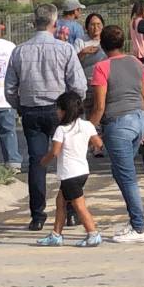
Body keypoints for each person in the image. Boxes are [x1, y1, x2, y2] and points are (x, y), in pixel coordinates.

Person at [4, 3, 86, 231]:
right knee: (66, 160)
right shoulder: (65, 49)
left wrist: (20, 106)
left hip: (31, 111)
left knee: (37, 163)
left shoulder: (19, 51)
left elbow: (10, 89)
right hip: (60, 110)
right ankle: (70, 212)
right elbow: (78, 85)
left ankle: (37, 216)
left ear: (34, 23)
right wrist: (73, 108)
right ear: (55, 23)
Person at [88, 24, 144, 243]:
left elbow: (99, 107)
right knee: (120, 171)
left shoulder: (101, 67)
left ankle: (139, 227)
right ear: (122, 43)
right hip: (138, 119)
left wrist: (87, 130)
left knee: (127, 177)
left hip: (119, 125)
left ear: (102, 45)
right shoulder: (136, 62)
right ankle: (135, 221)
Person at [35, 91, 102, 248]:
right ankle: (56, 234)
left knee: (79, 205)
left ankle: (93, 234)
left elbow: (55, 152)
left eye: (58, 109)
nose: (57, 112)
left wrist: (43, 162)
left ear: (65, 111)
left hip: (69, 174)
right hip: (82, 171)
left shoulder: (62, 130)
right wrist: (83, 145)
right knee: (60, 201)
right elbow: (98, 144)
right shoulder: (87, 125)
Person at [0, 19, 22, 172]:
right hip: (4, 97)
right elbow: (17, 70)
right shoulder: (10, 46)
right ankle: (13, 163)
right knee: (8, 131)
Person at [79, 13, 107, 82]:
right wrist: (83, 53)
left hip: (105, 80)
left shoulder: (107, 39)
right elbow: (74, 62)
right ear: (87, 26)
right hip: (87, 81)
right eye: (92, 24)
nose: (96, 27)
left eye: (98, 24)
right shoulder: (81, 41)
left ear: (103, 25)